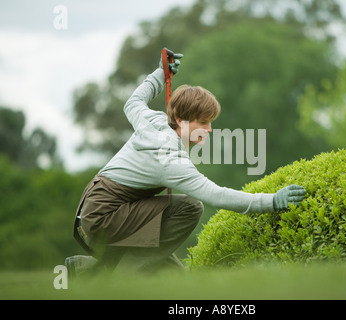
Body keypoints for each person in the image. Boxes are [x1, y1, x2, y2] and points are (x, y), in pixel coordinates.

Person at [65, 49, 306, 277]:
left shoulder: (154, 120)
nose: (209, 130)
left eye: (211, 122)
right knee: (191, 207)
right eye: (203, 122)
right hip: (102, 219)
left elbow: (133, 102)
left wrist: (161, 73)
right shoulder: (169, 158)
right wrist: (271, 201)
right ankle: (111, 277)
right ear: (180, 120)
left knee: (176, 277)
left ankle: (85, 269)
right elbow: (216, 195)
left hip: (93, 211)